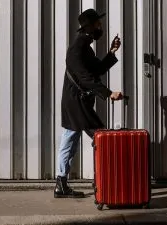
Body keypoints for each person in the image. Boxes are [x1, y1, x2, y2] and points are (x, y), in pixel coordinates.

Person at [54, 9, 123, 198]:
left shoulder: (85, 46)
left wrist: (111, 52)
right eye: (98, 24)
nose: (100, 26)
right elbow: (85, 78)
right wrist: (108, 94)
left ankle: (61, 183)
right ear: (90, 26)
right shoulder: (77, 47)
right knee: (101, 136)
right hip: (75, 102)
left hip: (77, 101)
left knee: (70, 138)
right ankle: (109, 180)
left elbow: (97, 69)